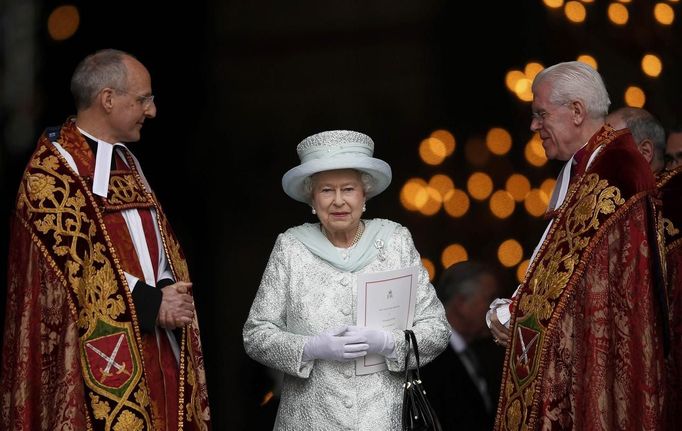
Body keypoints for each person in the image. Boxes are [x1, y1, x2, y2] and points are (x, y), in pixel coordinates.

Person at [0, 49, 211, 430]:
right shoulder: (50, 175)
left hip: (160, 353)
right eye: (143, 99)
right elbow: (73, 274)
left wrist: (167, 287)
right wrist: (152, 302)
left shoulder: (128, 163)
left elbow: (156, 246)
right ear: (108, 99)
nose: (152, 111)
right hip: (95, 363)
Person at [488, 61, 666, 430]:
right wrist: (512, 309)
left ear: (577, 111)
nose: (534, 126)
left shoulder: (616, 172)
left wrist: (518, 315)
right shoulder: (584, 167)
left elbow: (594, 291)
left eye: (540, 114)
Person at [243, 130, 450, 430]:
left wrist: (389, 343)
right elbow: (255, 335)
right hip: (310, 420)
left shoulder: (395, 242)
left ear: (364, 194)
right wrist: (312, 347)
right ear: (312, 198)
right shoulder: (291, 247)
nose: (338, 201)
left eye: (348, 189)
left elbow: (438, 329)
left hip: (381, 420)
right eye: (327, 190)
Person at [421, 261, 504, 431]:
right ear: (461, 303)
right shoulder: (430, 357)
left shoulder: (483, 349)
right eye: (490, 299)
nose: (497, 309)